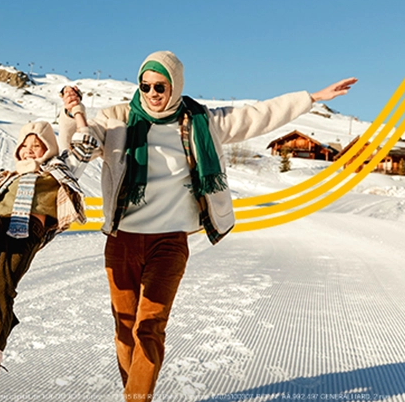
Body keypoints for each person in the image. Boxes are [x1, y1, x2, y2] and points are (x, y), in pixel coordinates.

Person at [56, 51, 356, 400]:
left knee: (149, 327)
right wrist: (71, 115)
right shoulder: (117, 120)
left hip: (168, 243)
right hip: (123, 240)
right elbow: (79, 144)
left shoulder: (199, 120)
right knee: (125, 328)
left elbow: (257, 116)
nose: (153, 92)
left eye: (161, 86)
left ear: (176, 85)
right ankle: (135, 392)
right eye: (146, 85)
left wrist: (312, 98)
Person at [0, 119, 98, 401]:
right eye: (26, 146)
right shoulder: (7, 175)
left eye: (37, 146)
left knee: (1, 287)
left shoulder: (58, 169)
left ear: (48, 148)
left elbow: (84, 146)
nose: (30, 151)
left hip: (27, 231)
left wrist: (76, 112)